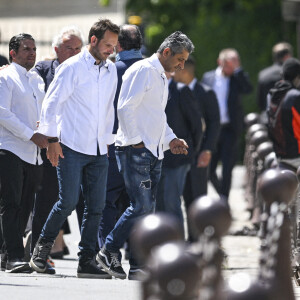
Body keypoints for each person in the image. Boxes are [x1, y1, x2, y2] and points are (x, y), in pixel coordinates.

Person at [97, 31, 194, 280]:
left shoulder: (160, 74)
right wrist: (137, 141)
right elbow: (124, 107)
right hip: (135, 149)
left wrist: (170, 139)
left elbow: (156, 117)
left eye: (184, 60)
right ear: (166, 52)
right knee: (140, 206)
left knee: (146, 211)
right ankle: (108, 250)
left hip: (152, 150)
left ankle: (138, 266)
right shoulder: (143, 70)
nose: (182, 65)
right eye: (180, 59)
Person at [30, 19, 119, 279]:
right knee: (67, 201)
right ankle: (41, 251)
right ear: (93, 40)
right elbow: (51, 104)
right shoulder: (71, 68)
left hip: (100, 149)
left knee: (96, 207)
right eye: (107, 44)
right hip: (70, 146)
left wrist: (108, 141)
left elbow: (108, 110)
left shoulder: (111, 70)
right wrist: (53, 140)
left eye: (114, 45)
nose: (110, 50)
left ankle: (86, 261)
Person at [31, 26, 84, 263]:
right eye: (68, 48)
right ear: (56, 50)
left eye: (77, 48)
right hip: (46, 146)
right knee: (39, 200)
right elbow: (29, 90)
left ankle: (51, 249)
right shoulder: (44, 69)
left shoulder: (87, 71)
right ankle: (35, 251)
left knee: (64, 200)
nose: (73, 52)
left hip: (76, 147)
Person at [0, 33, 48, 273]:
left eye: (34, 49)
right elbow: (2, 113)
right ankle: (14, 257)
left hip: (35, 153)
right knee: (11, 204)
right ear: (13, 53)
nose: (32, 53)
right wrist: (31, 134)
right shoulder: (5, 77)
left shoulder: (37, 79)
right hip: (9, 149)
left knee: (26, 207)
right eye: (26, 49)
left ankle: (7, 254)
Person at [98, 24, 143, 251]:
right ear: (141, 44)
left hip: (114, 143)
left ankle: (106, 253)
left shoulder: (111, 70)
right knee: (140, 203)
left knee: (107, 200)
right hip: (145, 145)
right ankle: (137, 257)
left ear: (119, 45)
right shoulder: (152, 70)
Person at [173, 56, 221, 239]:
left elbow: (214, 123)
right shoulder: (174, 91)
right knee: (183, 198)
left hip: (199, 153)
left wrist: (207, 150)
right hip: (179, 155)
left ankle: (199, 240)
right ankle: (188, 239)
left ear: (185, 71)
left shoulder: (205, 93)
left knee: (198, 198)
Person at [202, 48, 253, 201]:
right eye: (230, 64)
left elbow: (248, 89)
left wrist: (237, 70)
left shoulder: (237, 78)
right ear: (220, 62)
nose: (232, 68)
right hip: (212, 130)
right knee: (209, 170)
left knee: (228, 168)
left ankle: (224, 202)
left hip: (230, 129)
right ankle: (221, 194)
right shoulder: (208, 77)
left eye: (235, 64)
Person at [156, 71, 203, 235]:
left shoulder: (182, 90)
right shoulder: (151, 90)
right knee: (158, 204)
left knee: (171, 201)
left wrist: (191, 151)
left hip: (177, 158)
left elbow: (196, 125)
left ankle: (177, 245)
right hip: (155, 157)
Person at [266, 57, 300, 265]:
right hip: (297, 158)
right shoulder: (295, 96)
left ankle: (287, 253)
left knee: (287, 209)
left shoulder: (274, 94)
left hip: (281, 158)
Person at [257, 42, 293, 117]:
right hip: (287, 119)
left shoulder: (263, 74)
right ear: (287, 56)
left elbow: (260, 102)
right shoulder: (291, 73)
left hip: (268, 117)